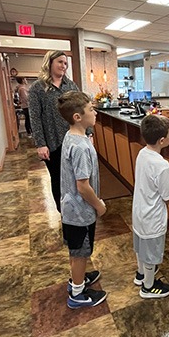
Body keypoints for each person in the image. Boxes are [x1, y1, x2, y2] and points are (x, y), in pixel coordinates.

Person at [58, 91, 107, 309]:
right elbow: (83, 185)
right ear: (78, 116)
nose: (94, 112)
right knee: (79, 253)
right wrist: (99, 206)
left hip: (72, 208)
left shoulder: (73, 137)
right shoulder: (79, 146)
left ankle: (78, 279)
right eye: (90, 109)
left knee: (77, 250)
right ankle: (77, 293)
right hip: (80, 211)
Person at [132, 114, 169, 299]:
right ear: (162, 140)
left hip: (139, 212)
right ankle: (148, 287)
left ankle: (141, 274)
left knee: (140, 246)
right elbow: (168, 195)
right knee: (151, 252)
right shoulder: (162, 165)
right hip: (153, 217)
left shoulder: (143, 153)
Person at [28, 51, 79, 211]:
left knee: (76, 178)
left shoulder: (70, 85)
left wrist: (89, 132)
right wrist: (40, 144)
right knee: (58, 180)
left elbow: (82, 108)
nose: (63, 66)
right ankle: (63, 212)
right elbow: (35, 117)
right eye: (60, 62)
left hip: (73, 140)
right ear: (49, 63)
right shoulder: (38, 88)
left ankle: (76, 210)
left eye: (65, 63)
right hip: (52, 142)